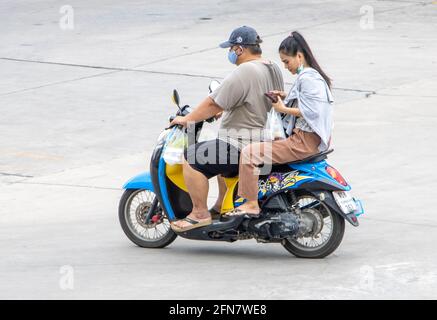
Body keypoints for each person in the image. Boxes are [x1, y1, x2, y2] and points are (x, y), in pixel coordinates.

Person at [169, 26, 283, 231]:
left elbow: (213, 103)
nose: (229, 53)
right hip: (263, 140)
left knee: (191, 157)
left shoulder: (245, 70)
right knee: (217, 153)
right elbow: (251, 98)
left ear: (239, 49)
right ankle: (221, 205)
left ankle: (199, 213)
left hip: (241, 143)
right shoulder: (272, 67)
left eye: (230, 48)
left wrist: (187, 119)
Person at [228, 31, 334, 216]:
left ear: (299, 56)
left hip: (302, 143)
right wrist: (287, 96)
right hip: (307, 141)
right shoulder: (312, 76)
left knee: (249, 154)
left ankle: (251, 204)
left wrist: (281, 108)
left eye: (287, 61)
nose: (285, 67)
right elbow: (307, 101)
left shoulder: (308, 78)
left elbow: (312, 111)